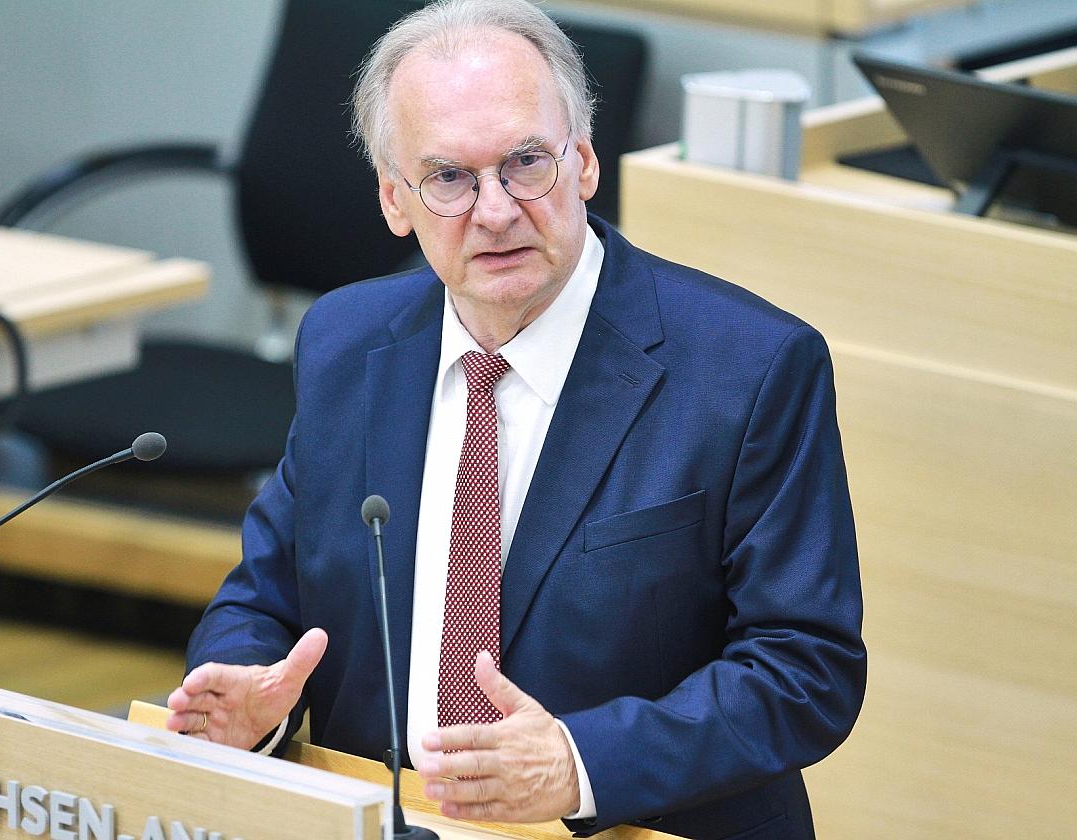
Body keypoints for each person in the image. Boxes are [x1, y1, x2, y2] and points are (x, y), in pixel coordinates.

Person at [167, 1, 865, 837]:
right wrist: (248, 697)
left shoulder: (749, 368)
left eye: (526, 163)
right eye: (449, 178)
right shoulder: (346, 343)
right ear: (394, 199)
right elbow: (266, 594)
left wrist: (580, 763)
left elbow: (805, 669)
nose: (495, 211)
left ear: (585, 162)